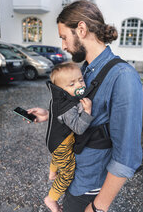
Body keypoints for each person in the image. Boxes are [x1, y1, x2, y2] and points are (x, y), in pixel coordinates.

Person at [28, 0, 143, 212]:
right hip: (75, 181)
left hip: (89, 193)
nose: (62, 45)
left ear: (81, 29)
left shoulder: (123, 77)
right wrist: (51, 114)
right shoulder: (87, 70)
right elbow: (77, 109)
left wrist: (98, 207)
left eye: (64, 37)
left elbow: (127, 157)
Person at [42, 62, 94, 212]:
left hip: (54, 142)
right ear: (61, 89)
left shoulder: (58, 100)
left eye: (80, 80)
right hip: (61, 143)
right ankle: (51, 198)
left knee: (58, 157)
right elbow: (78, 128)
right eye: (72, 84)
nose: (79, 85)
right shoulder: (67, 108)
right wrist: (87, 111)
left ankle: (52, 172)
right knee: (67, 172)